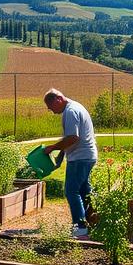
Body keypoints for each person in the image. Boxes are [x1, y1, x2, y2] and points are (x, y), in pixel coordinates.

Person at [42, 88, 97, 237]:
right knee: (84, 191)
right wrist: (60, 157)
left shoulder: (71, 111)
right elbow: (70, 140)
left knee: (71, 191)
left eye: (51, 107)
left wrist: (53, 147)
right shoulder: (75, 107)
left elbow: (73, 138)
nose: (51, 111)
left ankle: (80, 227)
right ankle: (94, 222)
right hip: (86, 156)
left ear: (58, 99)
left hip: (80, 157)